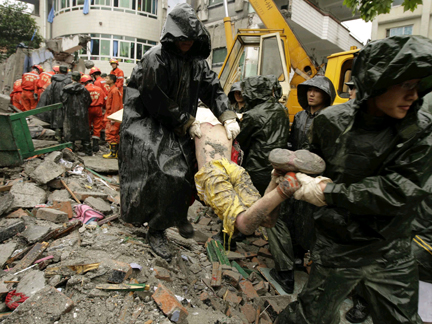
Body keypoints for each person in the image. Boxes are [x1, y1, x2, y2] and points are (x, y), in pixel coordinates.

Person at [276, 35, 432, 324]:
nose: (414, 96)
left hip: (391, 250)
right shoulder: (331, 122)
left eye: (418, 86)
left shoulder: (420, 130)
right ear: (378, 82)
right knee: (310, 318)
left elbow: (400, 191)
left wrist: (328, 192)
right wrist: (294, 172)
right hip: (339, 244)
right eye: (406, 85)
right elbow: (313, 162)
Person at [118, 3, 240, 261]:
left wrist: (227, 116)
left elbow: (214, 90)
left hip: (180, 122)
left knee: (188, 174)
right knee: (165, 172)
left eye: (191, 39)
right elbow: (154, 99)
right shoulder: (155, 58)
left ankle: (178, 215)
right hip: (148, 121)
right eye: (182, 38)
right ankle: (156, 229)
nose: (186, 43)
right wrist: (186, 121)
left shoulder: (197, 63)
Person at [195, 123, 325, 244]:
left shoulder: (197, 121)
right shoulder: (227, 121)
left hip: (212, 173)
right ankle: (277, 176)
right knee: (267, 220)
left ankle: (285, 187)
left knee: (243, 224)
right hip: (234, 169)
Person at [267, 75, 336, 294]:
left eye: (317, 91)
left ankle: (302, 263)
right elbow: (292, 142)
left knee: (309, 221)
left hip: (315, 180)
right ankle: (293, 260)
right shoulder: (298, 116)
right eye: (308, 90)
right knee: (289, 217)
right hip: (294, 174)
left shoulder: (329, 118)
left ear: (326, 95)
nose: (311, 94)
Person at [236, 75, 291, 196]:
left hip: (257, 167)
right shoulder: (282, 109)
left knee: (252, 200)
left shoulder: (252, 115)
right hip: (278, 164)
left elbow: (240, 142)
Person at [37, 66, 72, 142]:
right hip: (65, 105)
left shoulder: (53, 82)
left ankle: (57, 138)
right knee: (66, 122)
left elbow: (48, 95)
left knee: (56, 121)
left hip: (54, 105)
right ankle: (66, 140)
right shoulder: (69, 81)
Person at [60, 72, 92, 155]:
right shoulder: (84, 89)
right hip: (82, 113)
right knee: (84, 131)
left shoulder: (65, 89)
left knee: (69, 131)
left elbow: (63, 100)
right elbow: (88, 101)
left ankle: (70, 150)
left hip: (69, 112)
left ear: (71, 78)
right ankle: (88, 150)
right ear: (80, 79)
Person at [81, 74, 105, 153]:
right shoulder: (99, 89)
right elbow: (105, 99)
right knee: (97, 127)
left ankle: (86, 144)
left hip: (88, 109)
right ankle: (95, 145)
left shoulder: (84, 89)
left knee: (87, 126)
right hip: (98, 109)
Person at [103, 74, 123, 159]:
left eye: (107, 78)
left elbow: (116, 105)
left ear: (111, 81)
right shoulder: (113, 90)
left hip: (112, 116)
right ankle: (115, 153)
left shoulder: (114, 91)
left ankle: (113, 153)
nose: (105, 79)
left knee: (111, 134)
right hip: (111, 115)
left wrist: (113, 118)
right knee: (113, 135)